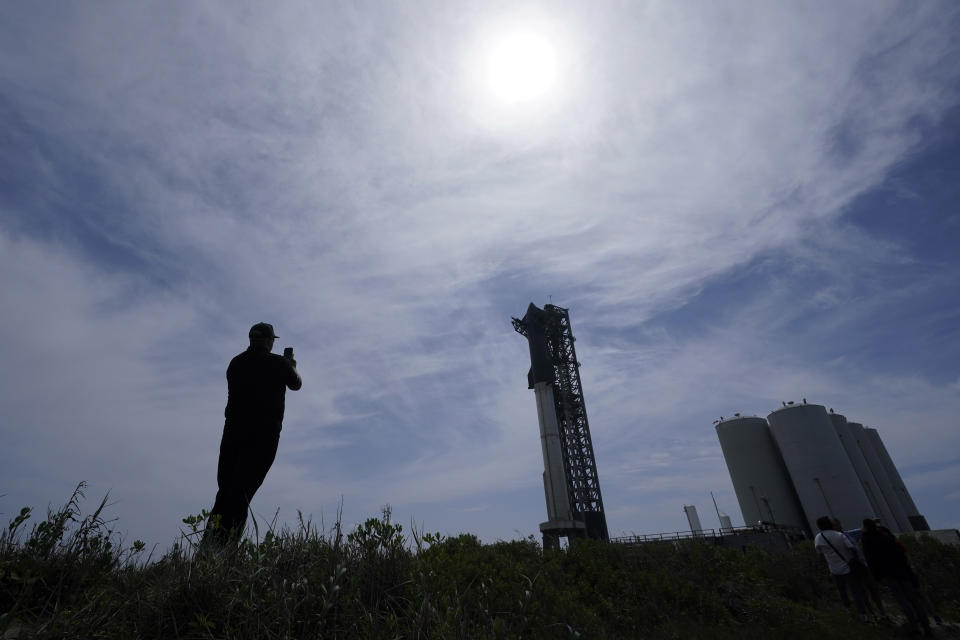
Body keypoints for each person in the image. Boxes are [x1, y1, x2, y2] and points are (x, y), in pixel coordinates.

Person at [203, 322, 302, 547]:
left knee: (226, 490)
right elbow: (295, 384)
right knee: (243, 493)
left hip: (232, 434)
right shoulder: (278, 363)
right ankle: (224, 552)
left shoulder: (236, 363)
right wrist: (291, 365)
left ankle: (209, 548)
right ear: (269, 341)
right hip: (263, 436)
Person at [860, 518, 932, 638]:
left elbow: (871, 560)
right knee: (913, 598)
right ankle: (926, 626)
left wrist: (877, 577)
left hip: (888, 573)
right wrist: (906, 567)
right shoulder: (885, 535)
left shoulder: (866, 539)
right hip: (901, 570)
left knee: (901, 599)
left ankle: (914, 626)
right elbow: (900, 551)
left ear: (865, 527)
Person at [813, 515, 868, 622]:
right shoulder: (839, 535)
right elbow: (852, 548)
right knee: (855, 591)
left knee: (842, 592)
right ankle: (863, 615)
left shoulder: (818, 537)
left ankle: (849, 613)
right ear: (829, 524)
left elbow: (819, 553)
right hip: (848, 568)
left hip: (834, 570)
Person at [832, 518, 888, 621]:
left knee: (872, 589)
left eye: (839, 524)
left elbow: (862, 530)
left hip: (862, 566)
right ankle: (873, 614)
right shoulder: (835, 540)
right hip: (851, 569)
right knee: (862, 592)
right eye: (837, 525)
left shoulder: (849, 534)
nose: (840, 526)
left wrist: (872, 522)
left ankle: (882, 614)